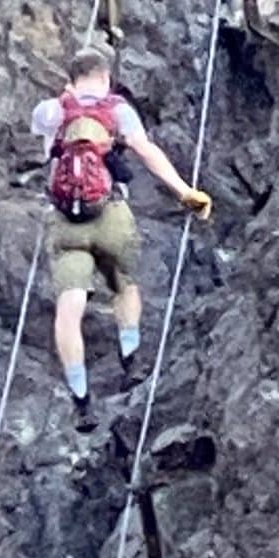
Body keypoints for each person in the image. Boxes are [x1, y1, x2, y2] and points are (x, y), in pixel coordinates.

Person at [31, 46, 211, 429]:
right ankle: (131, 361)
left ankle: (82, 401)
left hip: (65, 220)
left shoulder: (51, 111)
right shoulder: (117, 110)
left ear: (72, 78)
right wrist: (185, 193)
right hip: (109, 211)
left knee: (69, 308)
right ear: (105, 77)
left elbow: (46, 149)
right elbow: (147, 152)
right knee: (123, 285)